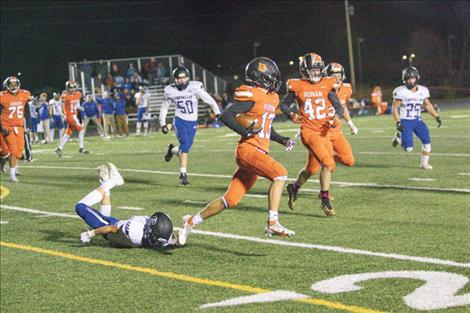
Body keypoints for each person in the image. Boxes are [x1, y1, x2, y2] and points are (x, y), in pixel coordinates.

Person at [178, 57, 296, 246]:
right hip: (248, 150)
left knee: (230, 200)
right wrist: (246, 131)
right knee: (280, 174)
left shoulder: (271, 98)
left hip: (257, 152)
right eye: (270, 76)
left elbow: (266, 128)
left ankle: (190, 221)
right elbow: (226, 115)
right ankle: (272, 222)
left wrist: (282, 140)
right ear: (261, 77)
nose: (274, 80)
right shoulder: (253, 95)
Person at [280, 52, 344, 216]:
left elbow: (338, 106)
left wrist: (335, 116)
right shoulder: (297, 85)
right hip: (309, 132)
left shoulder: (327, 83)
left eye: (318, 69)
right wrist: (292, 114)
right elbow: (284, 105)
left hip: (324, 132)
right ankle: (325, 200)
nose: (316, 73)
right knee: (327, 163)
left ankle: (293, 188)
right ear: (304, 71)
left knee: (312, 169)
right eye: (313, 70)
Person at [76, 163, 177, 248]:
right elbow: (172, 238)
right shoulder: (160, 238)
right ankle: (107, 182)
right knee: (105, 218)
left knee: (80, 206)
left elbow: (112, 228)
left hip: (111, 229)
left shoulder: (135, 231)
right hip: (117, 227)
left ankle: (111, 182)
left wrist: (90, 234)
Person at [160, 66, 221, 185]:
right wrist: (162, 123)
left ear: (188, 78)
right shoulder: (170, 90)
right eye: (179, 78)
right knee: (185, 145)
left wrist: (217, 111)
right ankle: (183, 175)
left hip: (192, 121)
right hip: (179, 120)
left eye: (184, 78)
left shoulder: (195, 87)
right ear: (175, 80)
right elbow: (164, 107)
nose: (182, 80)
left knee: (185, 148)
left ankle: (172, 150)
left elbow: (208, 99)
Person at [392, 66, 441, 169]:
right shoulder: (400, 91)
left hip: (417, 120)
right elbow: (395, 109)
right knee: (408, 149)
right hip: (405, 121)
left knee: (427, 142)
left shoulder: (423, 90)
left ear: (417, 78)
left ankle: (424, 163)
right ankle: (399, 136)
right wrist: (398, 122)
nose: (410, 80)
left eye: (412, 78)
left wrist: (436, 116)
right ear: (404, 79)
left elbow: (427, 105)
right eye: (408, 78)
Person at [0, 76, 31, 182]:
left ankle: (6, 163)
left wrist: (28, 126)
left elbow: (27, 112)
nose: (13, 87)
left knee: (18, 152)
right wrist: (1, 128)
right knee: (12, 150)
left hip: (19, 126)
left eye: (15, 84)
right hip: (7, 127)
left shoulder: (24, 94)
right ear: (6, 86)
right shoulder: (2, 96)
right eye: (11, 84)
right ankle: (12, 174)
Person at [55, 81, 89, 157]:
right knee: (81, 129)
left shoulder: (78, 94)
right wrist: (62, 115)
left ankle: (59, 149)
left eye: (74, 87)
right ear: (67, 88)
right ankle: (81, 147)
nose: (73, 89)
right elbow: (59, 106)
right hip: (69, 116)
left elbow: (77, 105)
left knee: (68, 133)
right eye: (71, 88)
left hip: (74, 115)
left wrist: (81, 108)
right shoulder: (65, 96)